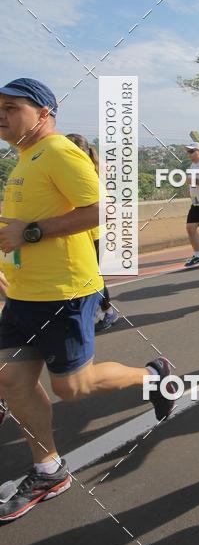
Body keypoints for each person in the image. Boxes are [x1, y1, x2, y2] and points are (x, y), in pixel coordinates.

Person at [0, 78, 176, 522]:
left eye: (10, 107)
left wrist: (31, 232)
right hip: (23, 293)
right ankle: (48, 469)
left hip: (64, 292)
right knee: (12, 381)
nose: (0, 116)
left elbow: (108, 209)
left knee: (71, 389)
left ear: (42, 112)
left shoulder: (58, 151)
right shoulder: (23, 158)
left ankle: (154, 376)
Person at [65, 133, 118, 333]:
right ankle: (98, 311)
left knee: (92, 276)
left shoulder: (84, 171)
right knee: (88, 275)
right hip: (89, 232)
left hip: (94, 233)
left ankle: (107, 311)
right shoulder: (89, 168)